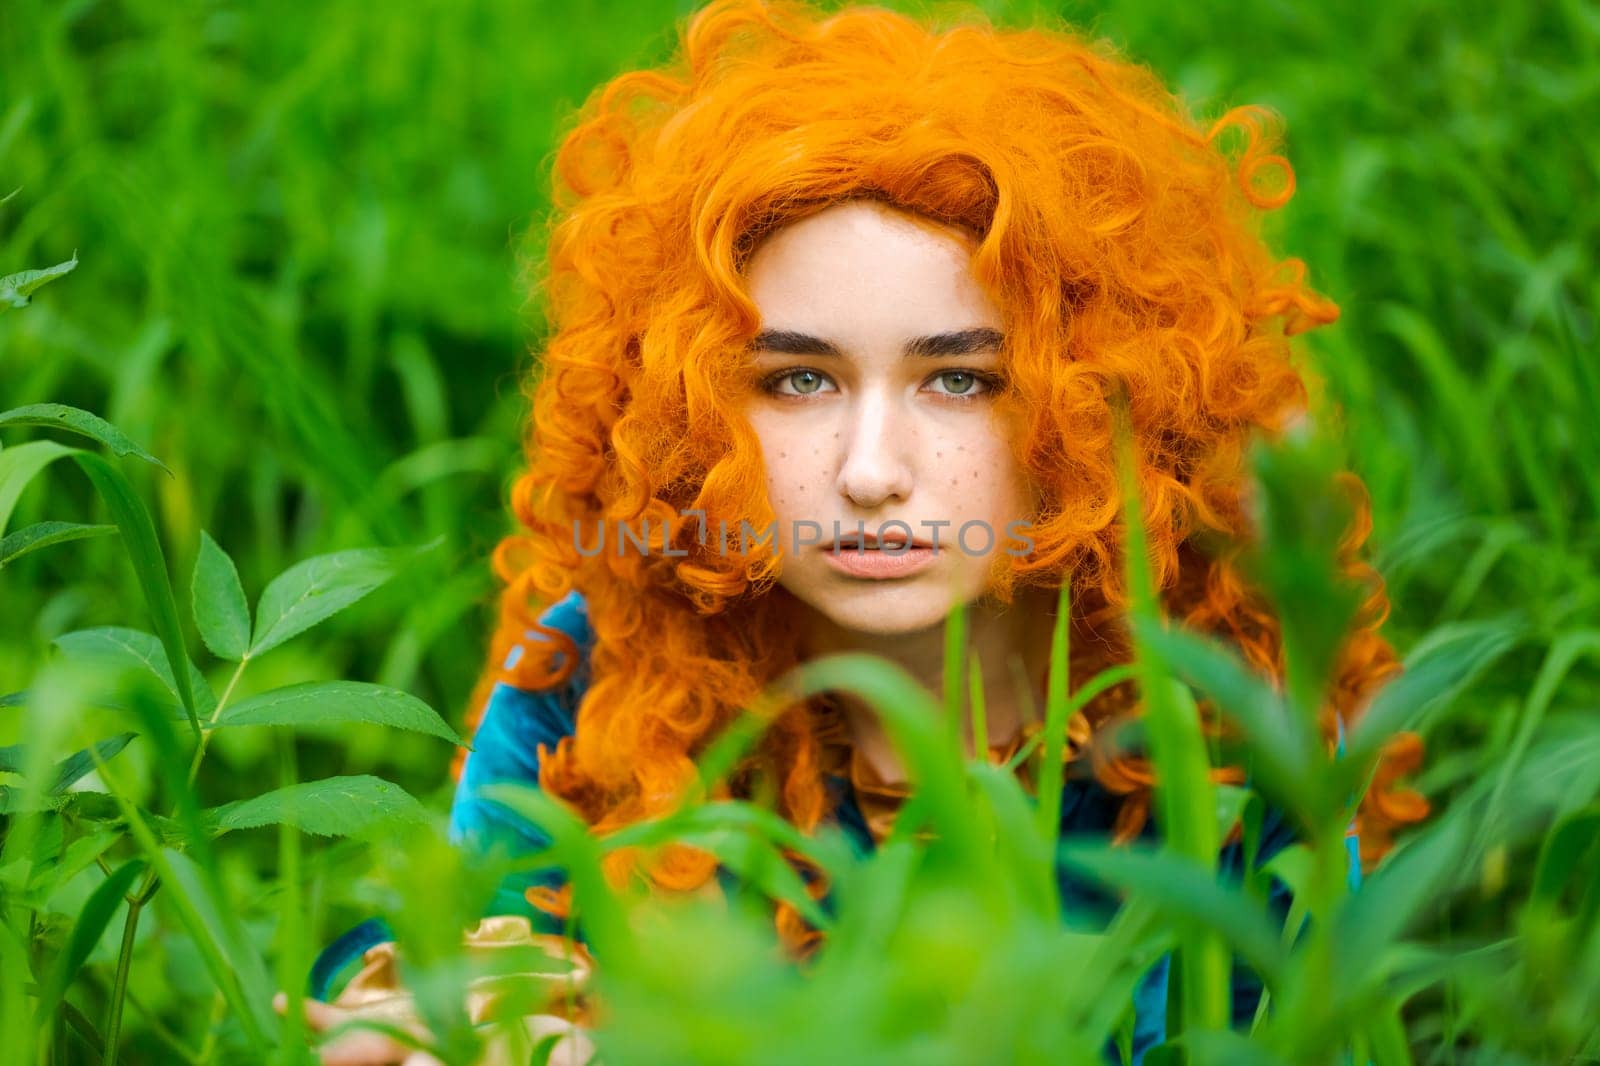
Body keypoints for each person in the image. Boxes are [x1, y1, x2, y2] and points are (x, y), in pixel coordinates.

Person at [277, 0, 1429, 1061]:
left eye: (962, 383)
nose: (872, 472)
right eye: (795, 383)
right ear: (687, 404)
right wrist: (444, 1000)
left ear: (1100, 403)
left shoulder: (1223, 721)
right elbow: (458, 939)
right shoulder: (603, 660)